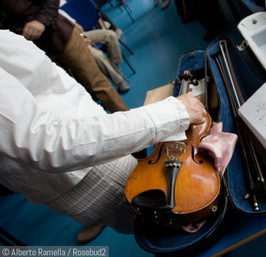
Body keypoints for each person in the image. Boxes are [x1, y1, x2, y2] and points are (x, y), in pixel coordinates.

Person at [0, 30, 206, 233]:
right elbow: (44, 143)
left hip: (90, 143)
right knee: (177, 221)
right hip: (83, 169)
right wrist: (172, 113)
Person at [0, 0, 128, 113]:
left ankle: (133, 129)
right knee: (73, 99)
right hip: (37, 52)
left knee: (98, 86)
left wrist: (41, 21)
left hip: (60, 37)